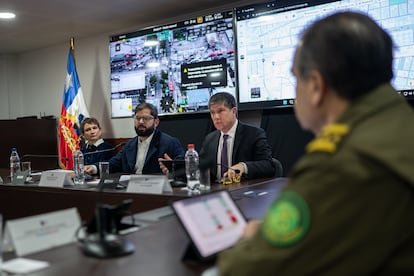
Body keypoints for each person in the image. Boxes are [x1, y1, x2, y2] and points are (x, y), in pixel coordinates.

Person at [217, 12, 414, 275]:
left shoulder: (344, 163)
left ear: (317, 86)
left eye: (295, 79)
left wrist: (253, 238)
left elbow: (247, 269)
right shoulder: (398, 124)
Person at [86, 102, 184, 175]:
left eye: (145, 118)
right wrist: (94, 168)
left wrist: (172, 170)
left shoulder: (169, 143)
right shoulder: (129, 145)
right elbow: (113, 164)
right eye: (137, 118)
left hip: (156, 192)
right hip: (131, 190)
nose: (141, 122)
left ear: (156, 122)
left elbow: (183, 169)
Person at [200, 92, 275, 182]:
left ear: (234, 111)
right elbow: (201, 167)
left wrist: (244, 166)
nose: (216, 117)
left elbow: (268, 166)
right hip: (216, 191)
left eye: (220, 111)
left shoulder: (254, 134)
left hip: (244, 190)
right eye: (212, 113)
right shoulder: (210, 139)